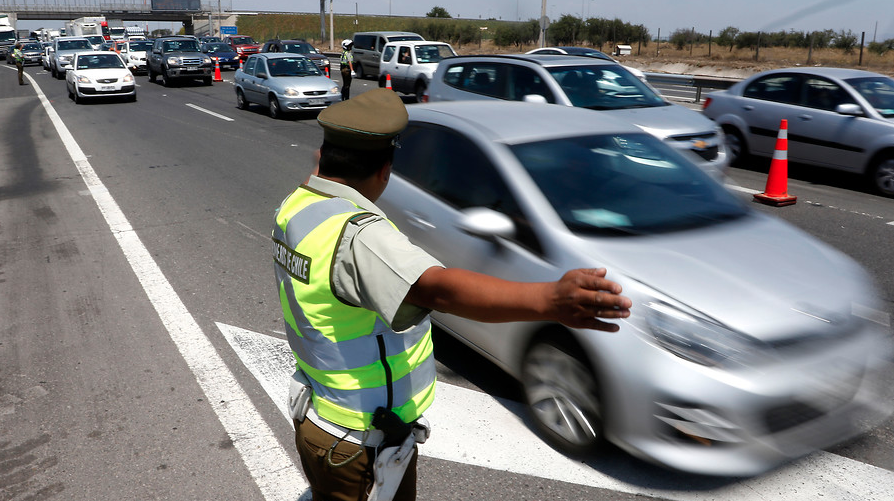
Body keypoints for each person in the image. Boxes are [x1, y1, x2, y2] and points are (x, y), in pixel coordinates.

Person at [272, 88, 632, 501]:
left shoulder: (297, 206)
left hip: (320, 418)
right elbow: (436, 287)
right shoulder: (360, 239)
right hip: (361, 441)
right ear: (384, 170)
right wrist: (549, 300)